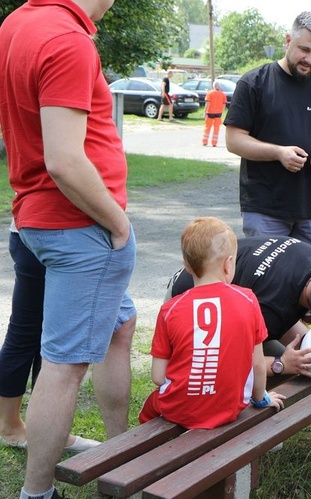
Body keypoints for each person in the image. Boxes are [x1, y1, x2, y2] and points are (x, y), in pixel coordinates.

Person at [0, 0, 138, 497]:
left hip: (39, 219)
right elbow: (63, 159)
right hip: (80, 227)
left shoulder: (19, 20)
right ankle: (37, 492)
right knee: (63, 366)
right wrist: (118, 224)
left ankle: (123, 449)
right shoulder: (67, 40)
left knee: (121, 323)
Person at [225, 11, 311, 251]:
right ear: (287, 41)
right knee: (267, 281)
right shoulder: (254, 83)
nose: (309, 59)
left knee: (310, 282)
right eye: (304, 50)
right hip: (265, 206)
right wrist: (278, 153)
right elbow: (234, 140)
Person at [140, 218, 284, 428]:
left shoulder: (169, 309)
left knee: (149, 408)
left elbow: (158, 376)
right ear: (229, 264)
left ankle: (146, 452)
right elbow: (258, 365)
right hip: (230, 408)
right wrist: (261, 397)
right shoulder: (248, 299)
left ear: (187, 266)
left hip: (180, 410)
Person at [167, 235, 311, 378]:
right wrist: (282, 364)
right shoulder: (270, 311)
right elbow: (232, 363)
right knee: (275, 372)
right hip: (186, 300)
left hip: (201, 271)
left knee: (303, 356)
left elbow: (284, 310)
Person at [0, 226, 99, 453]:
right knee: (26, 333)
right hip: (43, 234)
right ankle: (10, 427)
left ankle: (46, 429)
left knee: (51, 336)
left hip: (61, 237)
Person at [202, 80, 226, 147]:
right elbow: (224, 105)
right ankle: (214, 143)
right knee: (216, 128)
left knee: (207, 127)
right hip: (218, 113)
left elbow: (208, 103)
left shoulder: (210, 93)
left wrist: (205, 112)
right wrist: (221, 111)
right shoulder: (222, 94)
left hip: (210, 112)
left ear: (213, 86)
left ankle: (205, 141)